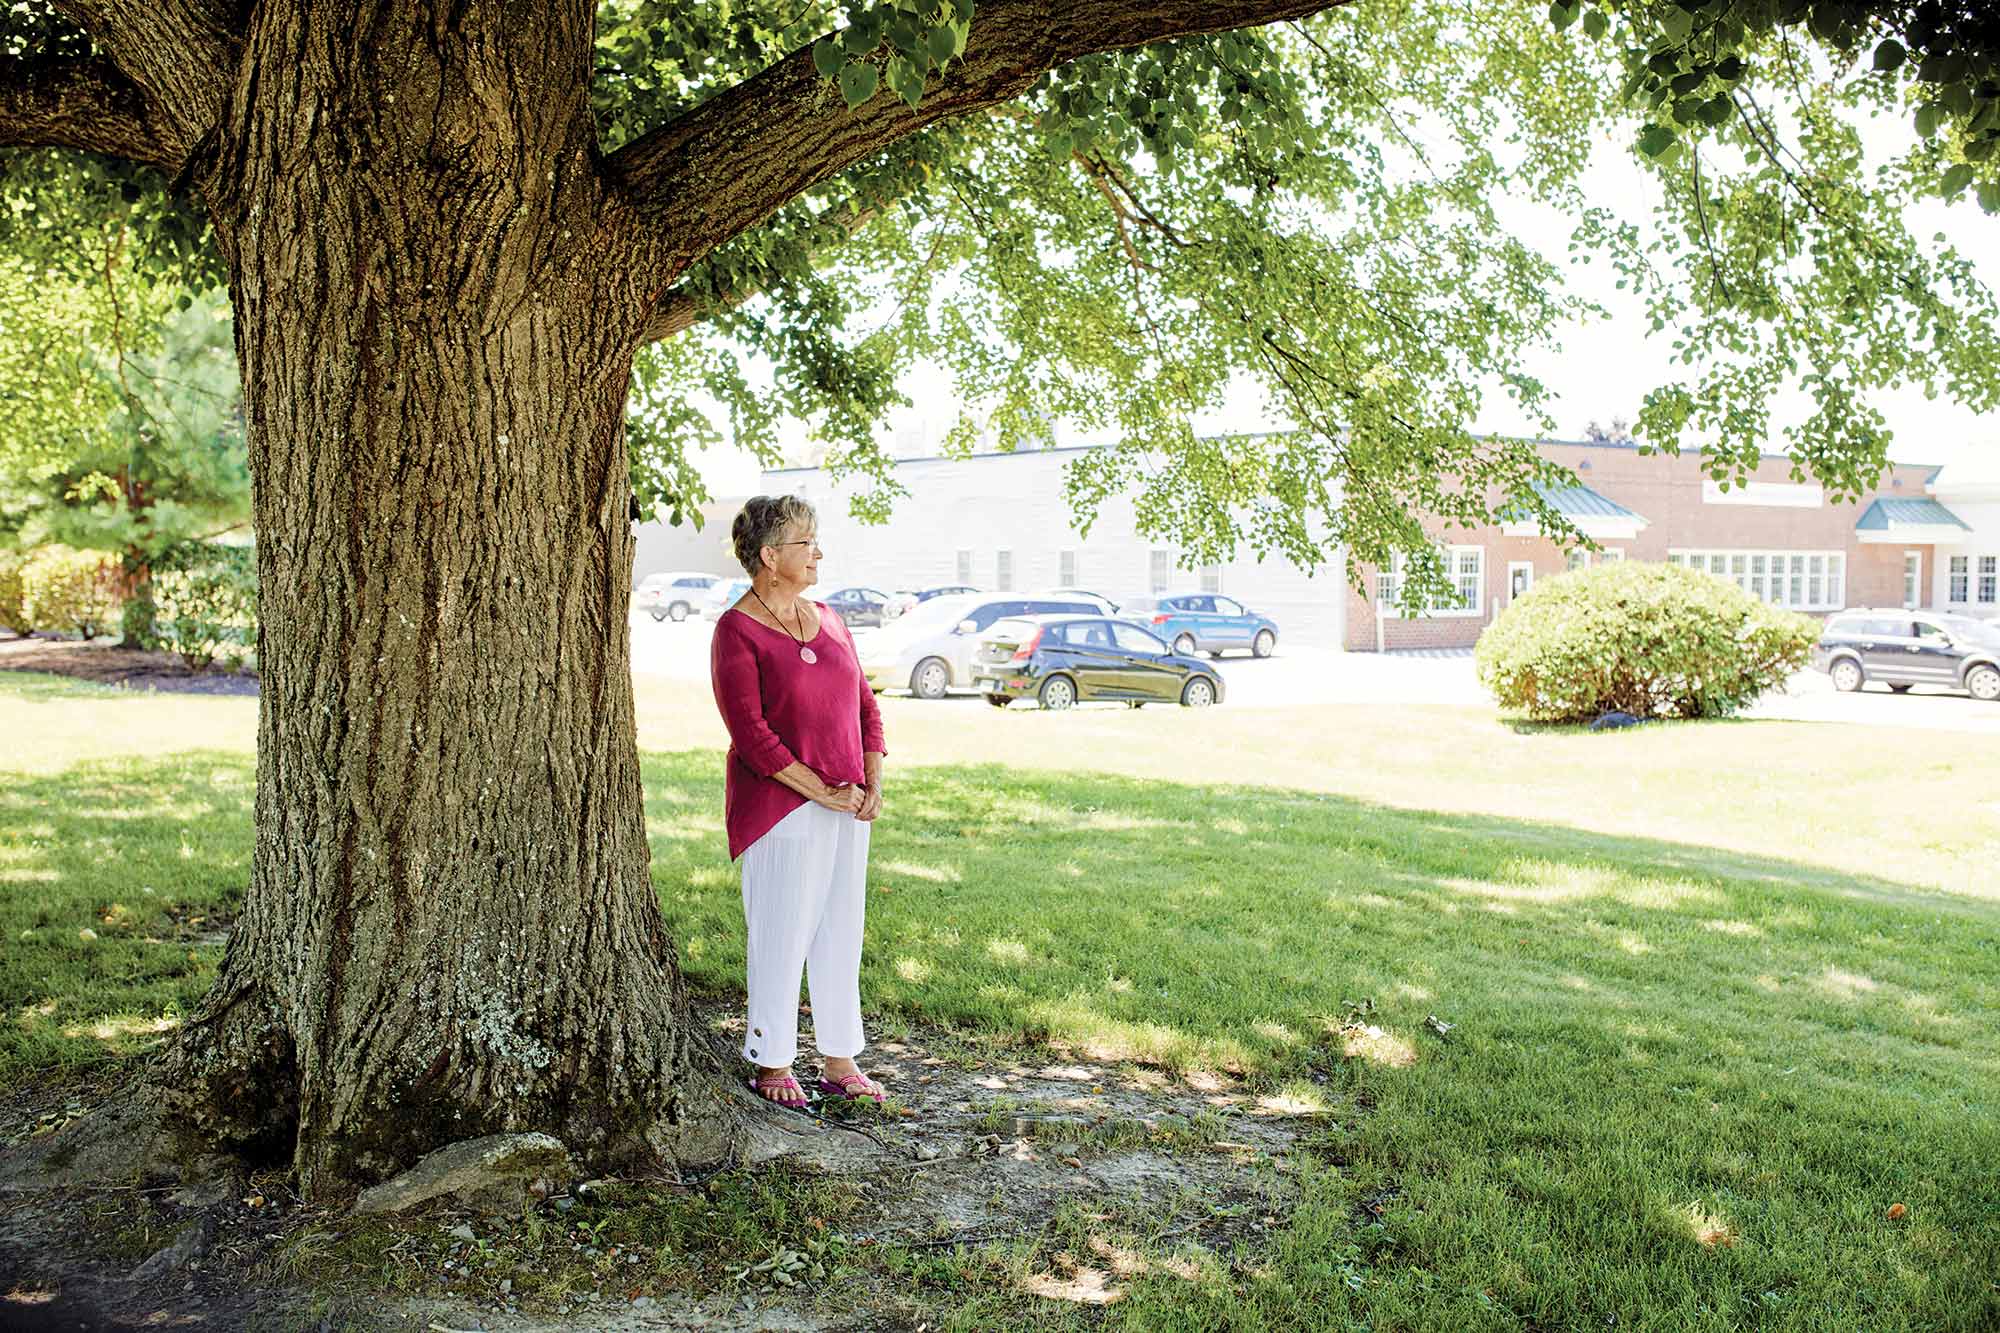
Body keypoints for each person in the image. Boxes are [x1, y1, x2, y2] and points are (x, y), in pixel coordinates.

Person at [709, 495, 887, 1109]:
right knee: (782, 934)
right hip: (781, 809)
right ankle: (772, 1059)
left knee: (842, 932)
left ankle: (839, 1058)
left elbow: (865, 704)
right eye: (805, 543)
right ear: (769, 556)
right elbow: (752, 735)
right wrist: (820, 790)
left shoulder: (831, 618)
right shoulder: (737, 629)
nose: (818, 553)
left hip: (846, 804)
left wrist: (871, 781)